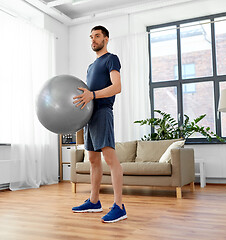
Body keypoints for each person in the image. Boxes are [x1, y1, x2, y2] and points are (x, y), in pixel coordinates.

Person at [72, 25, 127, 223]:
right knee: (93, 160)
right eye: (91, 37)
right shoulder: (90, 66)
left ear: (106, 39)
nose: (93, 40)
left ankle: (119, 206)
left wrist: (93, 95)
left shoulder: (111, 59)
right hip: (90, 116)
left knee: (110, 159)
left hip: (103, 112)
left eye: (97, 36)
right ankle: (94, 201)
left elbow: (117, 87)